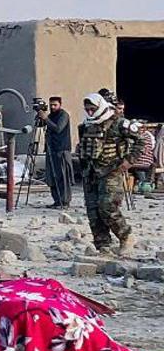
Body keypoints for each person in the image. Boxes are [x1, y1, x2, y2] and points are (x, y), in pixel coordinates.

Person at [77, 92, 144, 255]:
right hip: (91, 173)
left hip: (111, 171)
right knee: (93, 211)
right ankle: (103, 245)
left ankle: (126, 236)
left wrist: (129, 161)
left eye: (93, 109)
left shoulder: (118, 123)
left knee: (107, 207)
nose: (90, 112)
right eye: (88, 109)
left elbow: (140, 141)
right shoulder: (86, 125)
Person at [40, 96, 72, 208]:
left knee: (62, 177)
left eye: (55, 105)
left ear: (60, 104)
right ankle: (57, 201)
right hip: (51, 150)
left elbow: (58, 128)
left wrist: (46, 119)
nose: (52, 107)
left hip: (61, 150)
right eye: (51, 105)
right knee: (52, 177)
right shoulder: (50, 116)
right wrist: (41, 117)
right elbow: (42, 126)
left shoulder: (64, 115)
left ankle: (65, 201)